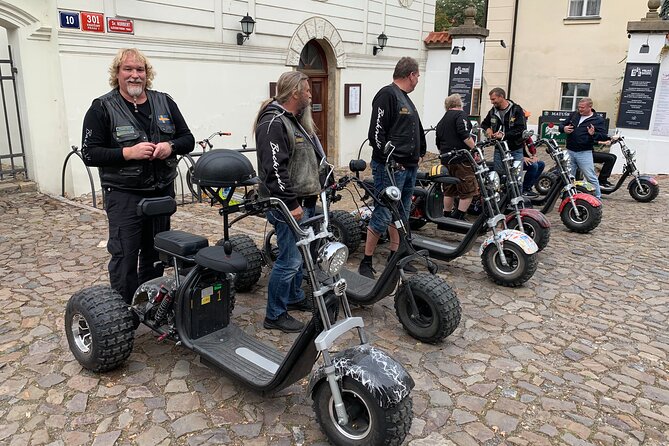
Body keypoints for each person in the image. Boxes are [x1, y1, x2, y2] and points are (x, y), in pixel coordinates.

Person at [81, 48, 194, 304]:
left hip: (161, 193)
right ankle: (123, 317)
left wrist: (170, 146)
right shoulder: (101, 108)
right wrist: (128, 153)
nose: (135, 75)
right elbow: (90, 153)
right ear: (117, 74)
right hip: (124, 196)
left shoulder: (164, 101)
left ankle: (150, 308)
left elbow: (188, 139)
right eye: (128, 69)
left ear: (147, 74)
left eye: (140, 70)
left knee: (156, 255)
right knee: (125, 258)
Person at [255, 71, 325, 333]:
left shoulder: (293, 121)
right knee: (289, 260)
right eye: (307, 90)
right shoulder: (273, 123)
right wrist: (291, 204)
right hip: (286, 206)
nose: (310, 94)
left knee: (300, 255)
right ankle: (274, 314)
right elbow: (274, 171)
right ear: (295, 92)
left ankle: (294, 296)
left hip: (301, 202)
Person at [358, 57, 426, 279]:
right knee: (384, 213)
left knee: (403, 213)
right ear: (411, 75)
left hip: (408, 166)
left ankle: (396, 255)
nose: (418, 80)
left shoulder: (405, 98)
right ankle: (366, 261)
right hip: (391, 168)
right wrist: (388, 159)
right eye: (417, 75)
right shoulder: (387, 94)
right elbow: (376, 133)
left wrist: (420, 150)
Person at [435, 94, 477, 220]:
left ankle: (446, 215)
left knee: (449, 189)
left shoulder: (442, 120)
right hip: (461, 159)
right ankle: (459, 216)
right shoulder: (461, 115)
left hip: (446, 159)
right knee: (468, 188)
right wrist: (474, 149)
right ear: (460, 104)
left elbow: (438, 141)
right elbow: (463, 133)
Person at [558, 97, 608, 199]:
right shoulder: (574, 115)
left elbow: (603, 136)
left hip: (584, 152)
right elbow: (561, 125)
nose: (580, 109)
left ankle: (597, 198)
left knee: (590, 176)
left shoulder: (597, 120)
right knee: (567, 175)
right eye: (579, 107)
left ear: (590, 107)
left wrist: (593, 134)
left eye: (582, 108)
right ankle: (566, 195)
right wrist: (564, 128)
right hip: (570, 150)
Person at [480, 88, 527, 175]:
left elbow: (521, 129)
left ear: (501, 97)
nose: (492, 102)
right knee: (500, 175)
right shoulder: (493, 111)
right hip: (499, 149)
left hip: (515, 149)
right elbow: (484, 124)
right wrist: (488, 129)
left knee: (517, 178)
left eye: (493, 99)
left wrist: (503, 135)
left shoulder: (516, 110)